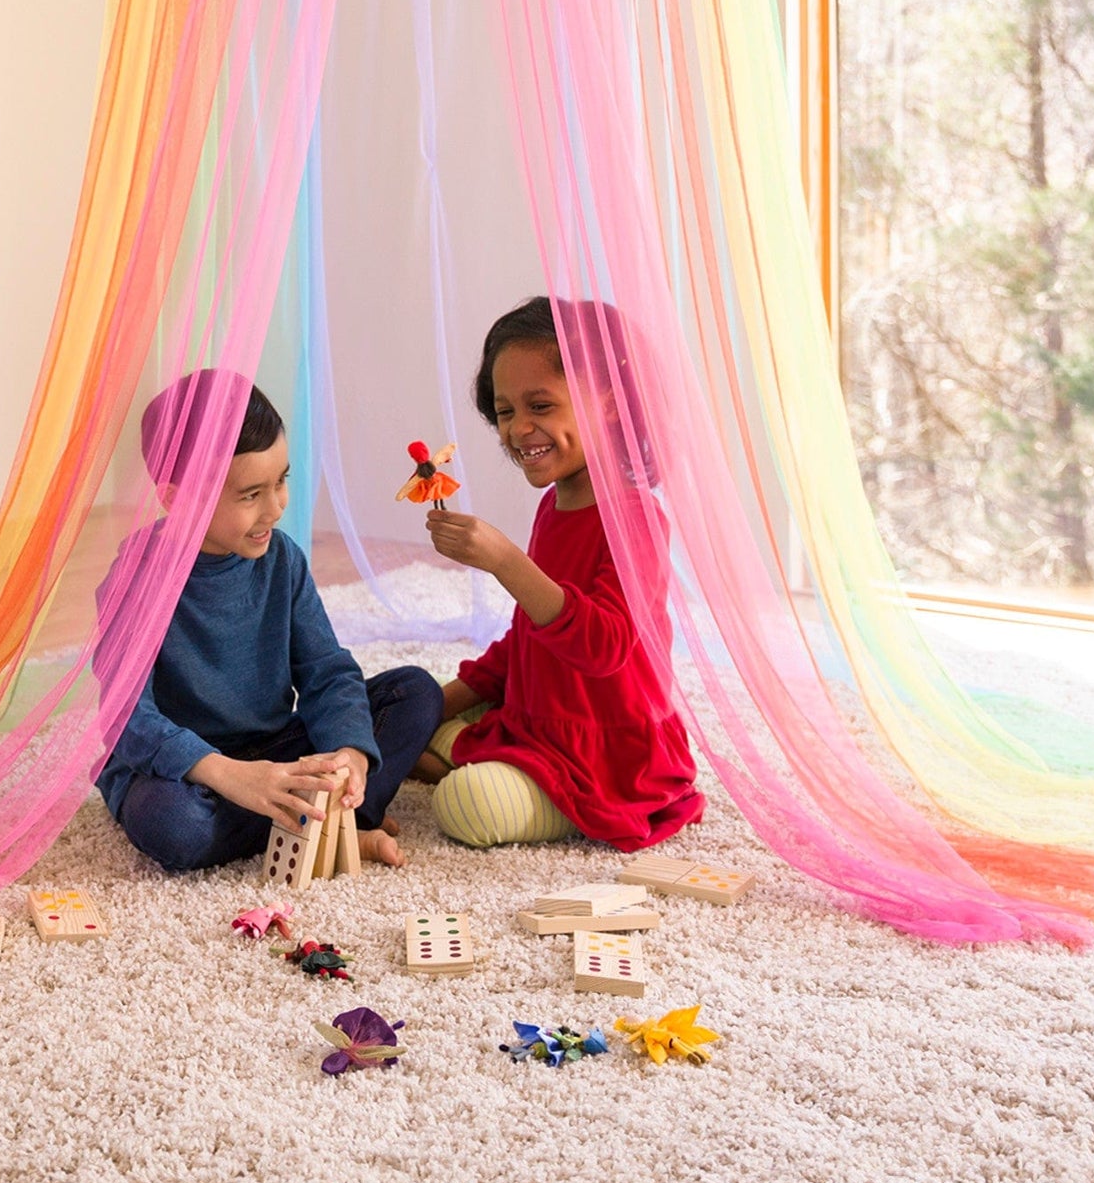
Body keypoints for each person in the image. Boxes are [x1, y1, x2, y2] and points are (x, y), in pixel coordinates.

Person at [98, 370, 440, 872]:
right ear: (176, 499)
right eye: (250, 495)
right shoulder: (136, 578)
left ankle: (327, 817)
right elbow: (127, 718)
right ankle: (330, 827)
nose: (276, 508)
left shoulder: (282, 559)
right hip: (189, 772)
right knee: (173, 826)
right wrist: (230, 775)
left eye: (281, 481)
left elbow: (327, 670)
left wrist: (350, 754)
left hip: (279, 748)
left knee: (414, 692)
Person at [415, 297, 704, 852]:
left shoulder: (637, 517)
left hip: (607, 755)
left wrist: (505, 561)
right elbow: (530, 639)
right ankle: (468, 754)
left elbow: (604, 646)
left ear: (612, 406)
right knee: (404, 707)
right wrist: (435, 701)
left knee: (467, 804)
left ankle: (557, 798)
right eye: (504, 412)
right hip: (540, 723)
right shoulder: (553, 507)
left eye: (541, 406)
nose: (520, 429)